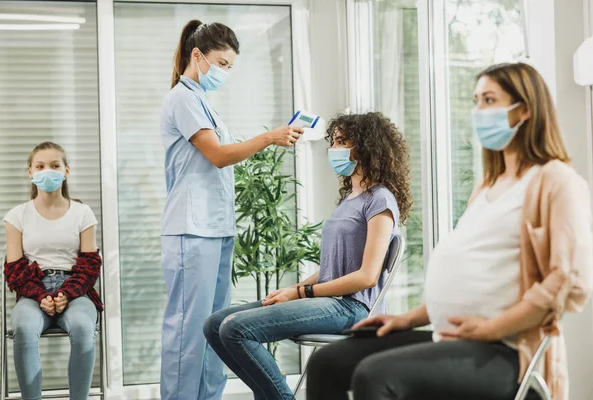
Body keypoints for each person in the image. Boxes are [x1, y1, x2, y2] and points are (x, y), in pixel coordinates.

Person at [306, 62, 593, 400]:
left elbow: (568, 281)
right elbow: (470, 271)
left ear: (525, 110)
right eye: (476, 101)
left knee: (377, 376)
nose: (478, 111)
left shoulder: (556, 180)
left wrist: (491, 329)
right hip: (454, 336)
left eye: (489, 100)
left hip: (507, 350)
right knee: (327, 362)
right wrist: (407, 319)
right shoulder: (488, 186)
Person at [203, 111, 414, 400]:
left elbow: (366, 276)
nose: (334, 149)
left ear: (366, 146)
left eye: (341, 141)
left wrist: (302, 292)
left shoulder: (381, 200)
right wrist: (292, 289)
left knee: (237, 329)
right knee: (215, 325)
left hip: (353, 308)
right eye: (333, 141)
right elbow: (333, 269)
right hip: (330, 301)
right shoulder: (349, 199)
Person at [160, 20, 304, 400]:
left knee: (212, 328)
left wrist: (268, 139)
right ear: (197, 55)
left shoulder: (203, 103)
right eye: (221, 63)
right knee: (187, 331)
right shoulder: (182, 98)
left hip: (215, 228)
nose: (225, 72)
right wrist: (269, 137)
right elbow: (219, 156)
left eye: (230, 66)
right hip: (191, 230)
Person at [4, 142, 102, 400]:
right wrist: (40, 296)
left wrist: (67, 293)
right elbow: (14, 270)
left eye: (55, 166)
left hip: (76, 290)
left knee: (83, 326)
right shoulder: (17, 215)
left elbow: (90, 265)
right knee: (24, 327)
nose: (48, 171)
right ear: (30, 172)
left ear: (66, 171)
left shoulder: (82, 213)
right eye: (41, 166)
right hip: (33, 292)